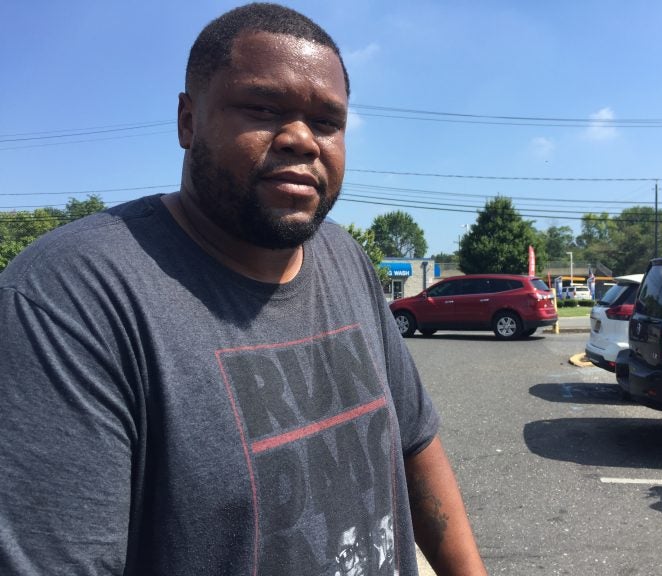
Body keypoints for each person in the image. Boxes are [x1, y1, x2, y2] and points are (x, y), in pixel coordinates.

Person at [0, 3, 487, 575]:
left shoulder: (343, 257)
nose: (303, 140)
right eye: (262, 107)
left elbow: (415, 446)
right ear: (187, 121)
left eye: (327, 122)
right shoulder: (71, 298)